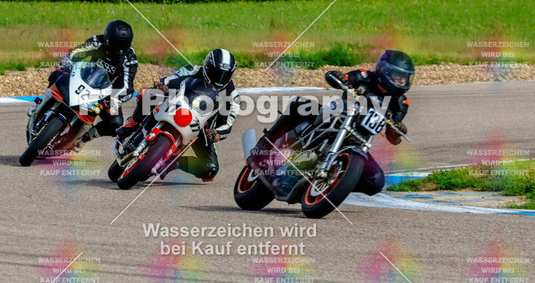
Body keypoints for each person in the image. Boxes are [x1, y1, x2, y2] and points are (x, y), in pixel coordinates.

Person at [249, 49, 415, 196]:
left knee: (376, 182)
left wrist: (399, 129)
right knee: (298, 106)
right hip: (335, 117)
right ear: (385, 71)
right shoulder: (365, 76)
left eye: (406, 78)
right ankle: (265, 144)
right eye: (399, 76)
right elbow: (339, 78)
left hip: (358, 140)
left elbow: (393, 134)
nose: (402, 81)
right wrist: (339, 77)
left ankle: (332, 183)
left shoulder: (401, 103)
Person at [117, 48, 240, 181]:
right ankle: (132, 123)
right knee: (151, 94)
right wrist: (162, 85)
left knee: (210, 169)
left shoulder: (232, 97)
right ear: (207, 67)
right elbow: (171, 80)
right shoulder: (192, 70)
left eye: (225, 75)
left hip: (200, 128)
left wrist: (216, 133)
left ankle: (172, 163)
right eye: (216, 73)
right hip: (176, 107)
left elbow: (227, 124)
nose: (220, 79)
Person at [31, 20, 138, 146]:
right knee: (56, 75)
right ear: (107, 39)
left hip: (106, 94)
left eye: (124, 44)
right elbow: (74, 53)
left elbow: (127, 88)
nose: (120, 49)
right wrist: (64, 66)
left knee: (116, 123)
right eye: (116, 43)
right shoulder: (97, 41)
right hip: (83, 78)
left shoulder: (130, 59)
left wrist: (112, 98)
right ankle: (41, 104)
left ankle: (83, 139)